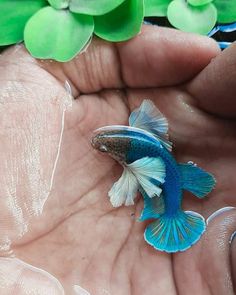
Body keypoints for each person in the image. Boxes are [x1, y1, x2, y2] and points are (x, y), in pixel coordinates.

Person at [0, 25, 235, 295]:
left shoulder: (137, 158)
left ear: (121, 156)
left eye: (106, 149)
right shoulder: (140, 145)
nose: (102, 149)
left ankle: (171, 213)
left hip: (166, 178)